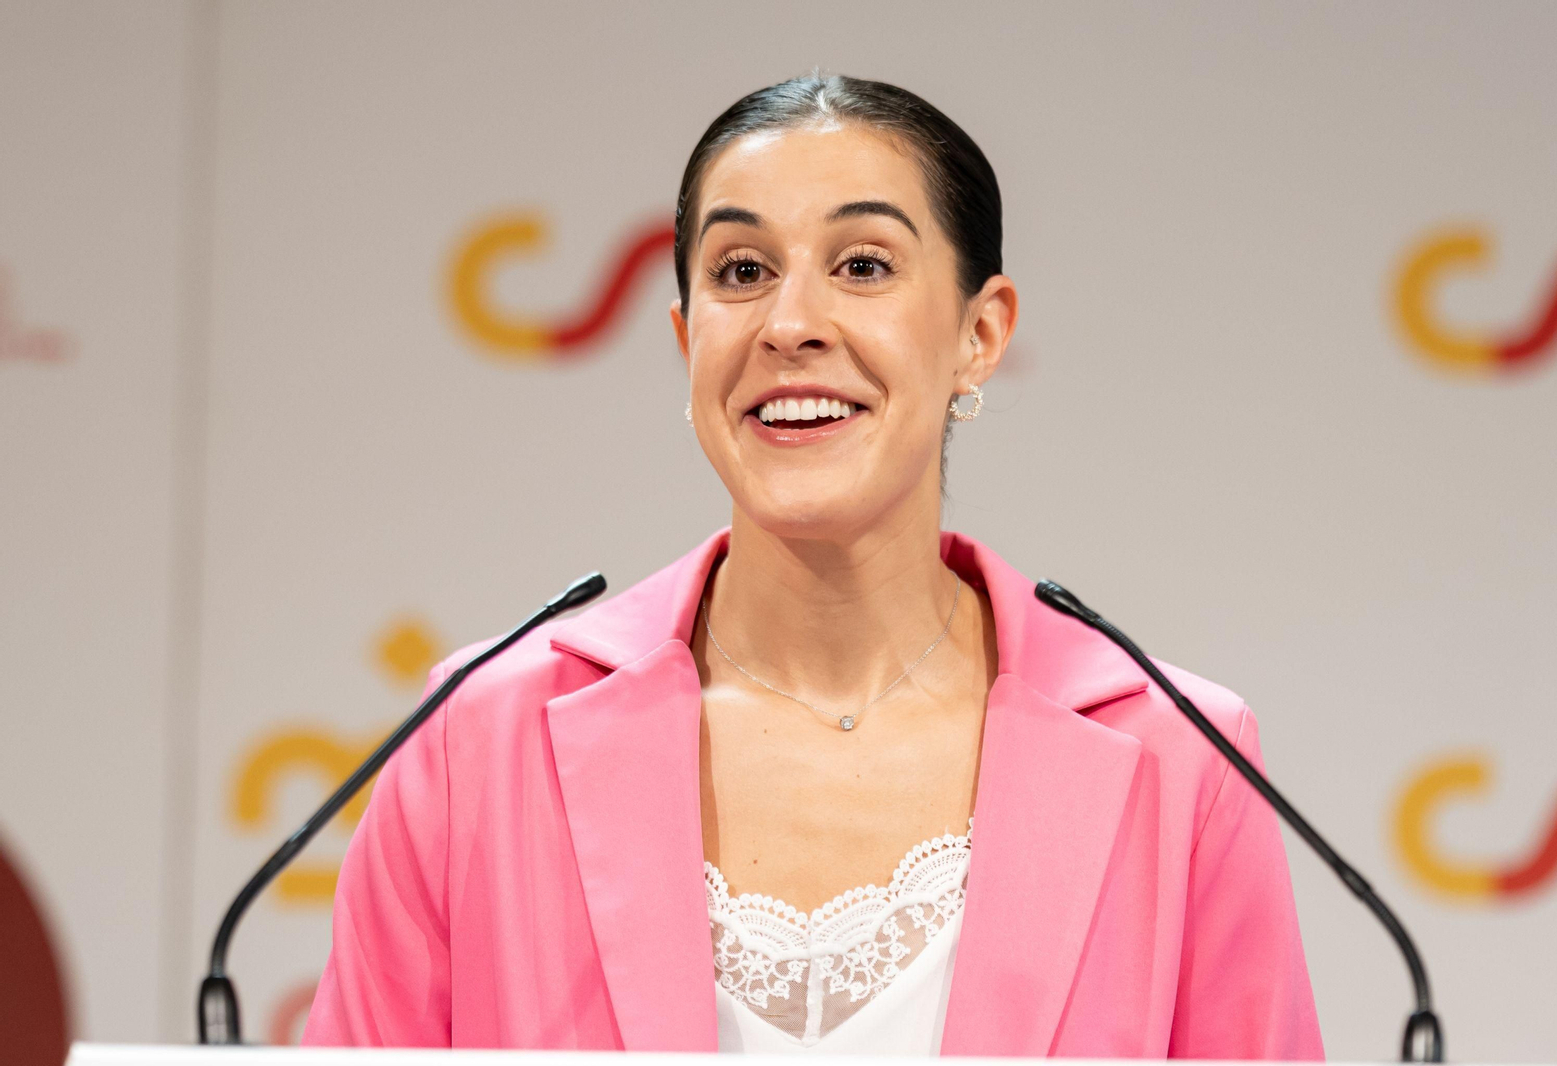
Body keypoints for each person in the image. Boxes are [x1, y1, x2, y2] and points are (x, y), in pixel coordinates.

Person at [301, 71, 1323, 1058]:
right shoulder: (475, 736)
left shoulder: (1183, 757)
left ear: (980, 332)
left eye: (863, 266)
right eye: (740, 272)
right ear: (685, 336)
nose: (790, 325)